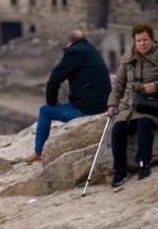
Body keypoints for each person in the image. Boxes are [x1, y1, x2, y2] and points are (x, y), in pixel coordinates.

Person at [106, 23, 158, 186]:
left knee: (144, 125)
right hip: (130, 106)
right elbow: (119, 83)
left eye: (145, 40)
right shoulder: (128, 58)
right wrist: (112, 104)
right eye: (138, 41)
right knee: (118, 129)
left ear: (152, 40)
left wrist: (157, 87)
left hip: (154, 106)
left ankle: (144, 164)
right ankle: (120, 170)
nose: (142, 44)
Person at [25, 29, 112, 163]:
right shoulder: (92, 51)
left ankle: (38, 152)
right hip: (103, 105)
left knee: (45, 111)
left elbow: (54, 79)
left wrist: (52, 102)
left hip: (87, 109)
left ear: (69, 43)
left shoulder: (74, 52)